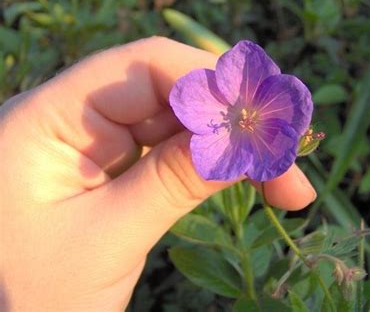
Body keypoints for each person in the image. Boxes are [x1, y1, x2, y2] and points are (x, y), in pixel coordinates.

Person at [0, 37, 317, 311]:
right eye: (244, 115)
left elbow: (292, 102)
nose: (245, 118)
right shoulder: (215, 116)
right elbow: (189, 103)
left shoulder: (276, 106)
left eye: (249, 116)